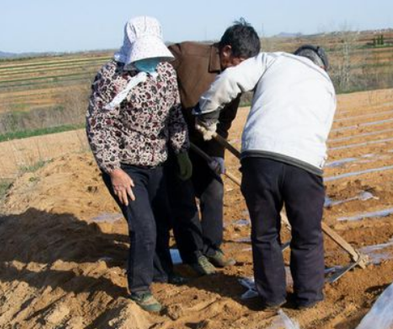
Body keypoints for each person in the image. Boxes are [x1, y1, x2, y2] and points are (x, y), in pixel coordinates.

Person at [194, 45, 335, 310]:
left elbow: (229, 78)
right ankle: (308, 298)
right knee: (308, 235)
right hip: (304, 164)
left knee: (265, 232)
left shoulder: (274, 60)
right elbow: (322, 130)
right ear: (321, 66)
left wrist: (207, 111)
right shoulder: (326, 85)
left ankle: (272, 297)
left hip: (259, 159)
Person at [86, 16, 192, 313]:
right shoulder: (110, 77)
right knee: (143, 225)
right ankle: (140, 288)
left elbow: (174, 116)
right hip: (125, 166)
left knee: (163, 218)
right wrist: (114, 170)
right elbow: (98, 125)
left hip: (157, 161)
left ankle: (162, 270)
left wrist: (181, 150)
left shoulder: (167, 74)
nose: (151, 60)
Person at [165, 19, 261, 275]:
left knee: (214, 189)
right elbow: (153, 73)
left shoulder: (235, 77)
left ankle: (211, 247)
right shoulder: (186, 55)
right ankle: (193, 254)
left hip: (204, 143)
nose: (244, 68)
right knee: (183, 196)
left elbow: (224, 121)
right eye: (241, 59)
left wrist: (217, 155)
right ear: (226, 50)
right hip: (174, 141)